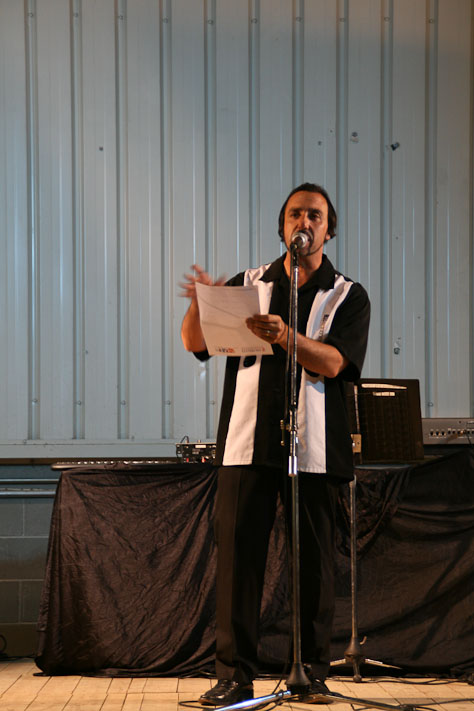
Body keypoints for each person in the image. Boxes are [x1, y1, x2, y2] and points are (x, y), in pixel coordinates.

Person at [181, 183, 370, 706]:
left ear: (329, 230)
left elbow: (336, 363)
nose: (303, 222)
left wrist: (286, 336)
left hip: (316, 447)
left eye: (314, 215)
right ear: (282, 227)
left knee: (313, 567)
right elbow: (196, 342)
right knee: (238, 562)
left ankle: (310, 673)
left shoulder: (347, 295)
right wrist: (200, 306)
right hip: (247, 443)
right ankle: (234, 676)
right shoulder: (248, 285)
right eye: (294, 214)